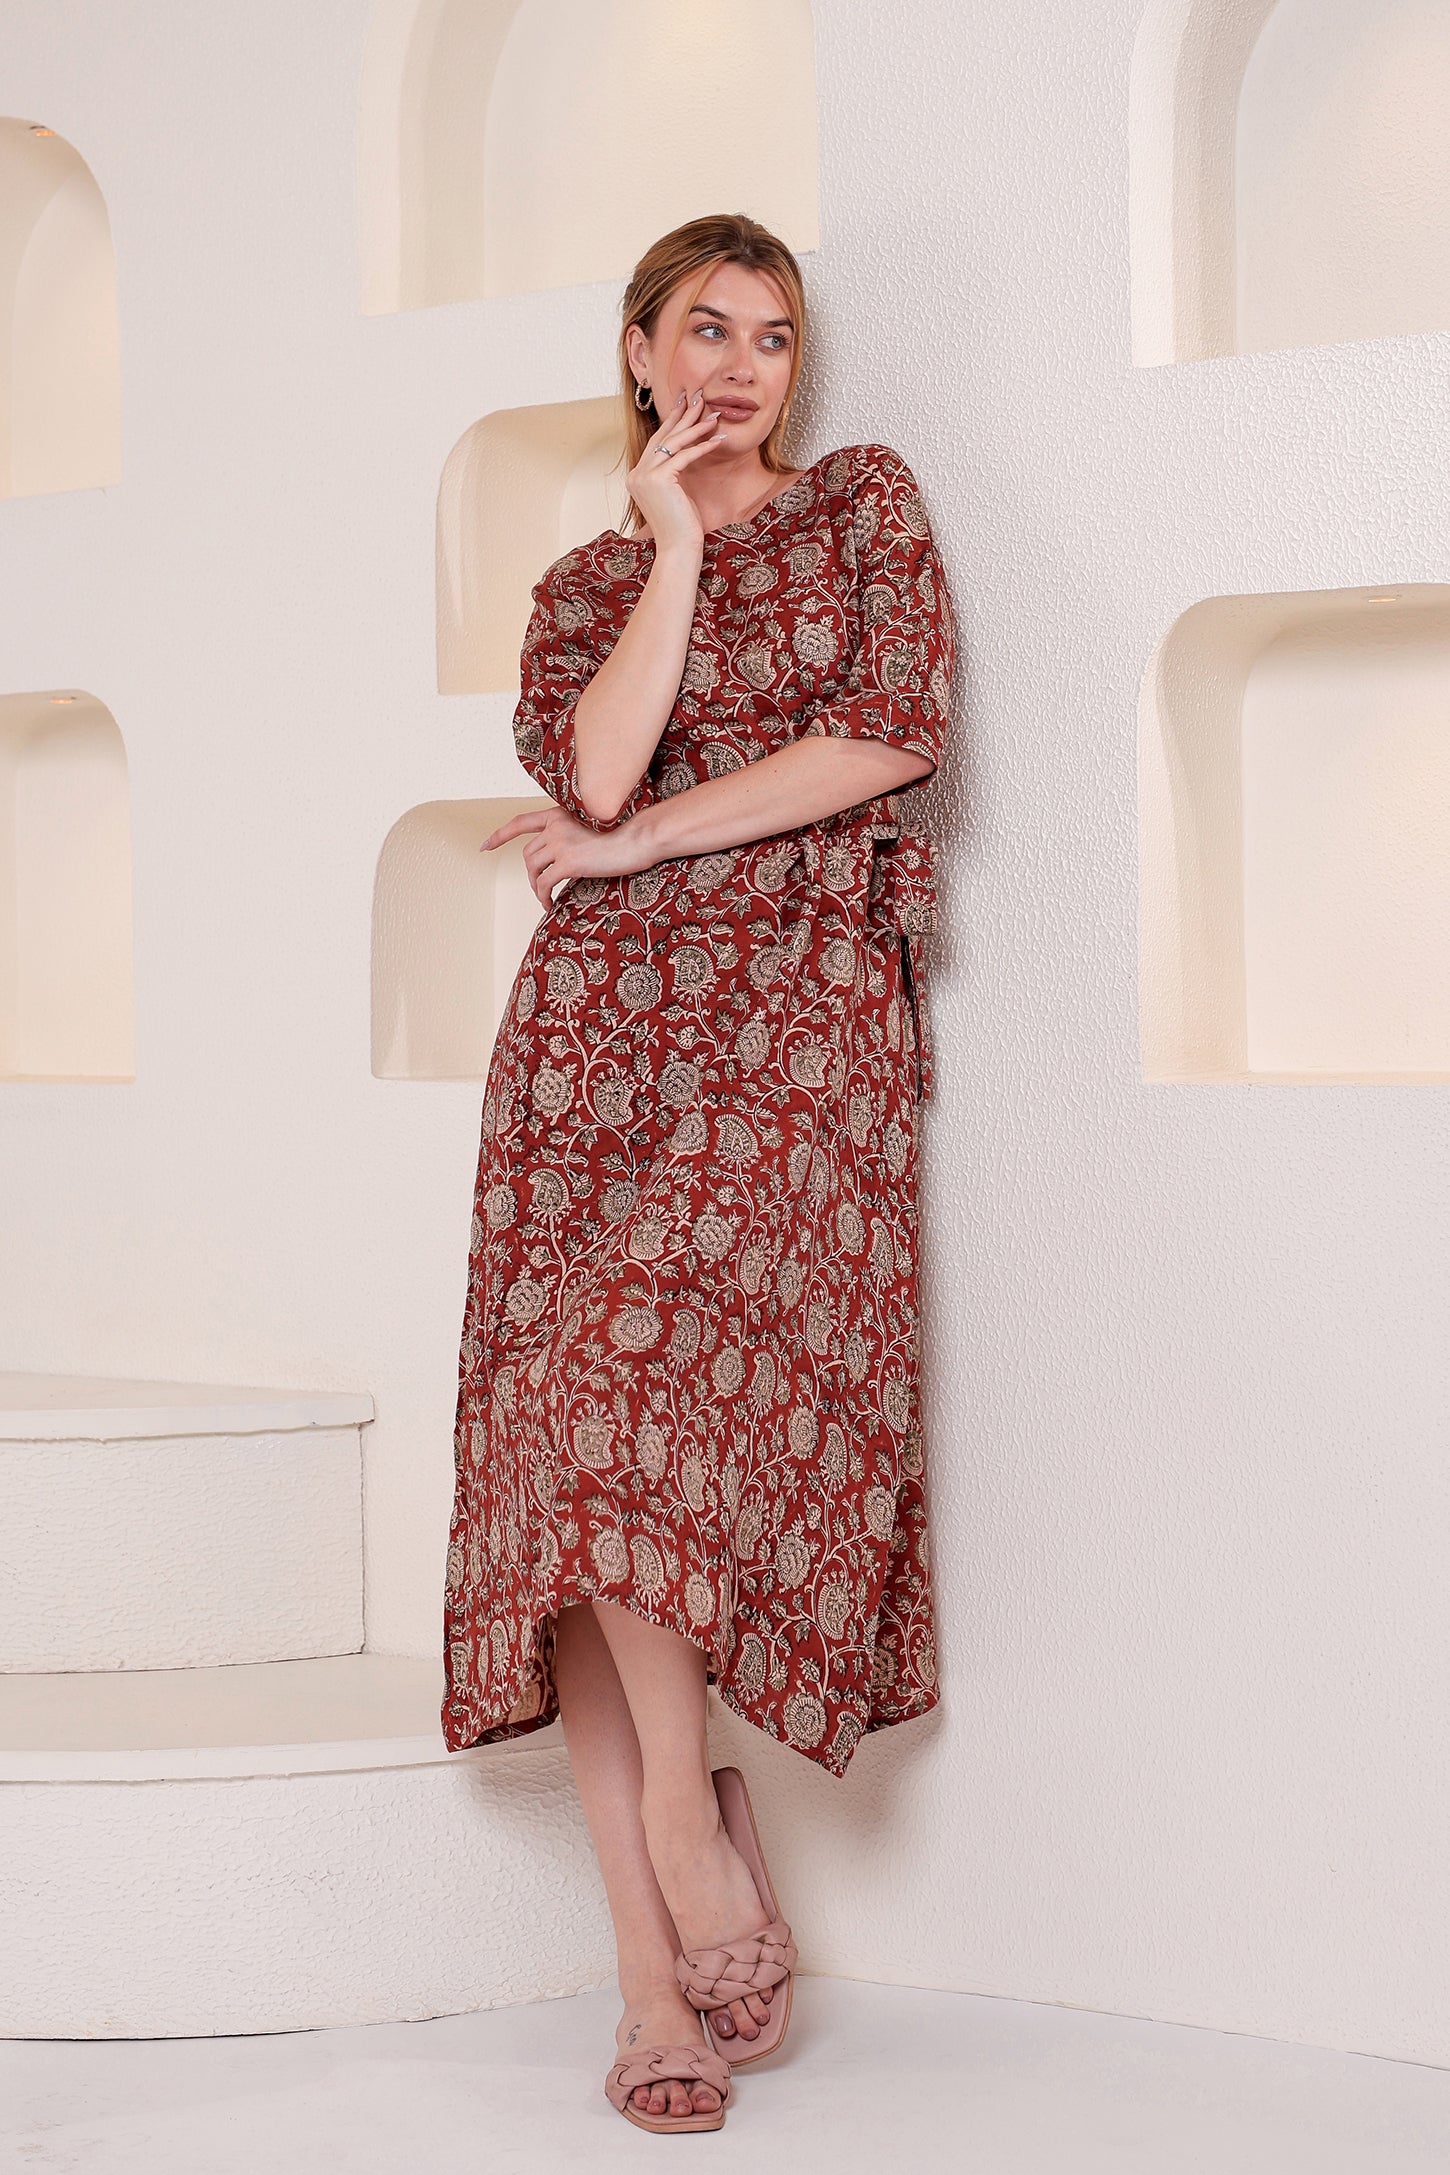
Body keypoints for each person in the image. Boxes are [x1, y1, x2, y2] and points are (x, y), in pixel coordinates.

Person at [442, 212, 954, 2134]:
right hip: (593, 1050)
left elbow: (885, 742)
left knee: (643, 1401)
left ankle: (677, 1802)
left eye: (772, 336)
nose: (741, 367)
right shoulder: (592, 575)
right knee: (570, 1446)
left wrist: (650, 850)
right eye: (704, 332)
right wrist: (669, 547)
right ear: (643, 352)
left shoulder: (865, 510)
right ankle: (651, 1975)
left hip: (793, 1023)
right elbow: (589, 777)